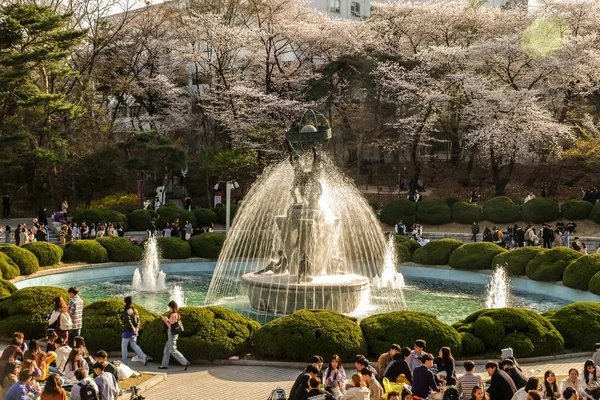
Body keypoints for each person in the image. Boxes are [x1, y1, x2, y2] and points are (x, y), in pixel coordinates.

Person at [159, 300, 190, 370]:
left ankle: (185, 362)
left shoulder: (173, 315)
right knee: (166, 349)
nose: (169, 309)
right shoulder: (177, 314)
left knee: (173, 350)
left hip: (171, 333)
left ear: (172, 307)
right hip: (173, 333)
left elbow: (170, 325)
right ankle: (164, 365)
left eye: (169, 307)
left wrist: (165, 319)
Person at [121, 296, 149, 366]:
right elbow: (138, 320)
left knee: (124, 346)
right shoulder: (135, 310)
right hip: (134, 331)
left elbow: (128, 321)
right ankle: (143, 356)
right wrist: (136, 329)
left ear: (125, 302)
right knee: (134, 344)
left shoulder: (126, 310)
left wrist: (133, 328)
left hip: (128, 331)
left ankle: (124, 362)